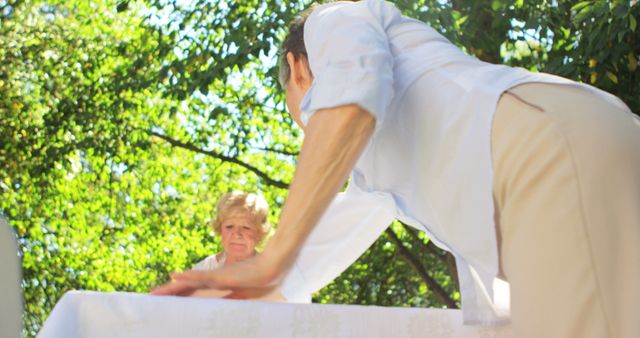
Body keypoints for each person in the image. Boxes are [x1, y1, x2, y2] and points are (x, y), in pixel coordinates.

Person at [152, 1, 640, 337]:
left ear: (297, 69)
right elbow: (322, 249)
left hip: (550, 151)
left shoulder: (333, 21)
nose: (313, 133)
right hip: (574, 158)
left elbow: (354, 91)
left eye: (300, 113)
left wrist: (272, 256)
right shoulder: (386, 170)